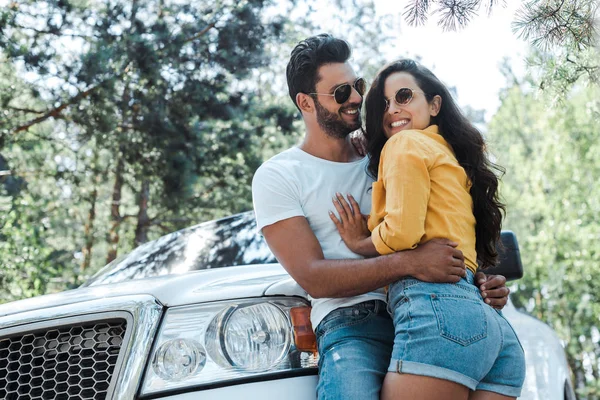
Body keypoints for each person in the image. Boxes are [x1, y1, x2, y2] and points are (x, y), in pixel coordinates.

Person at [251, 34, 511, 400]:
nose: (357, 98)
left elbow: (442, 225)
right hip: (354, 325)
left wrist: (476, 277)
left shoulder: (390, 150)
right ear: (305, 103)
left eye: (357, 86)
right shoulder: (279, 176)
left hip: (433, 305)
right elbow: (313, 277)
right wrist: (412, 262)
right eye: (341, 92)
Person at [329, 59, 526, 399]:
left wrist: (361, 242)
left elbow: (404, 234)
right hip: (495, 334)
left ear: (434, 105)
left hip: (438, 316)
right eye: (383, 104)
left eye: (404, 96)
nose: (393, 109)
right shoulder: (449, 157)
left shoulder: (404, 144)